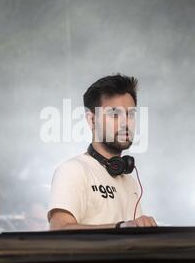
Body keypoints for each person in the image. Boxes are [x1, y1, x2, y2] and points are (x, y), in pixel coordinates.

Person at [48, 74, 157, 230]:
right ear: (92, 120)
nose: (125, 123)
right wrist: (122, 228)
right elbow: (58, 229)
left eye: (130, 114)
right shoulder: (73, 170)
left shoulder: (130, 182)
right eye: (114, 114)